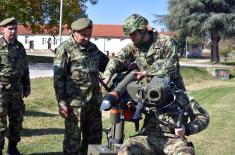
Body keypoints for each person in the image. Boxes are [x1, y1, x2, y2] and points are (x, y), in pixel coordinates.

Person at [102, 14, 209, 155]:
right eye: (129, 35)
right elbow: (117, 60)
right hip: (148, 104)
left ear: (143, 30)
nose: (131, 38)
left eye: (133, 34)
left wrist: (186, 129)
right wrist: (108, 74)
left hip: (170, 93)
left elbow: (171, 65)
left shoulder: (166, 43)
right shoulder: (133, 47)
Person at [53, 17, 109, 155]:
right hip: (75, 104)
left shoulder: (93, 48)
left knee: (94, 139)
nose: (87, 38)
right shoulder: (65, 49)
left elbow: (108, 65)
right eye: (84, 35)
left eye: (89, 35)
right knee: (73, 141)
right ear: (74, 32)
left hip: (94, 103)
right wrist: (61, 102)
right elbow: (58, 78)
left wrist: (125, 64)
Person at [0, 17, 31, 155]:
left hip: (17, 90)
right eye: (10, 29)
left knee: (16, 120)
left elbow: (25, 68)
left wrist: (27, 86)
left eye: (15, 28)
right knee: (0, 123)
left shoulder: (20, 47)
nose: (13, 31)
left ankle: (13, 148)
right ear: (2, 30)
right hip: (1, 90)